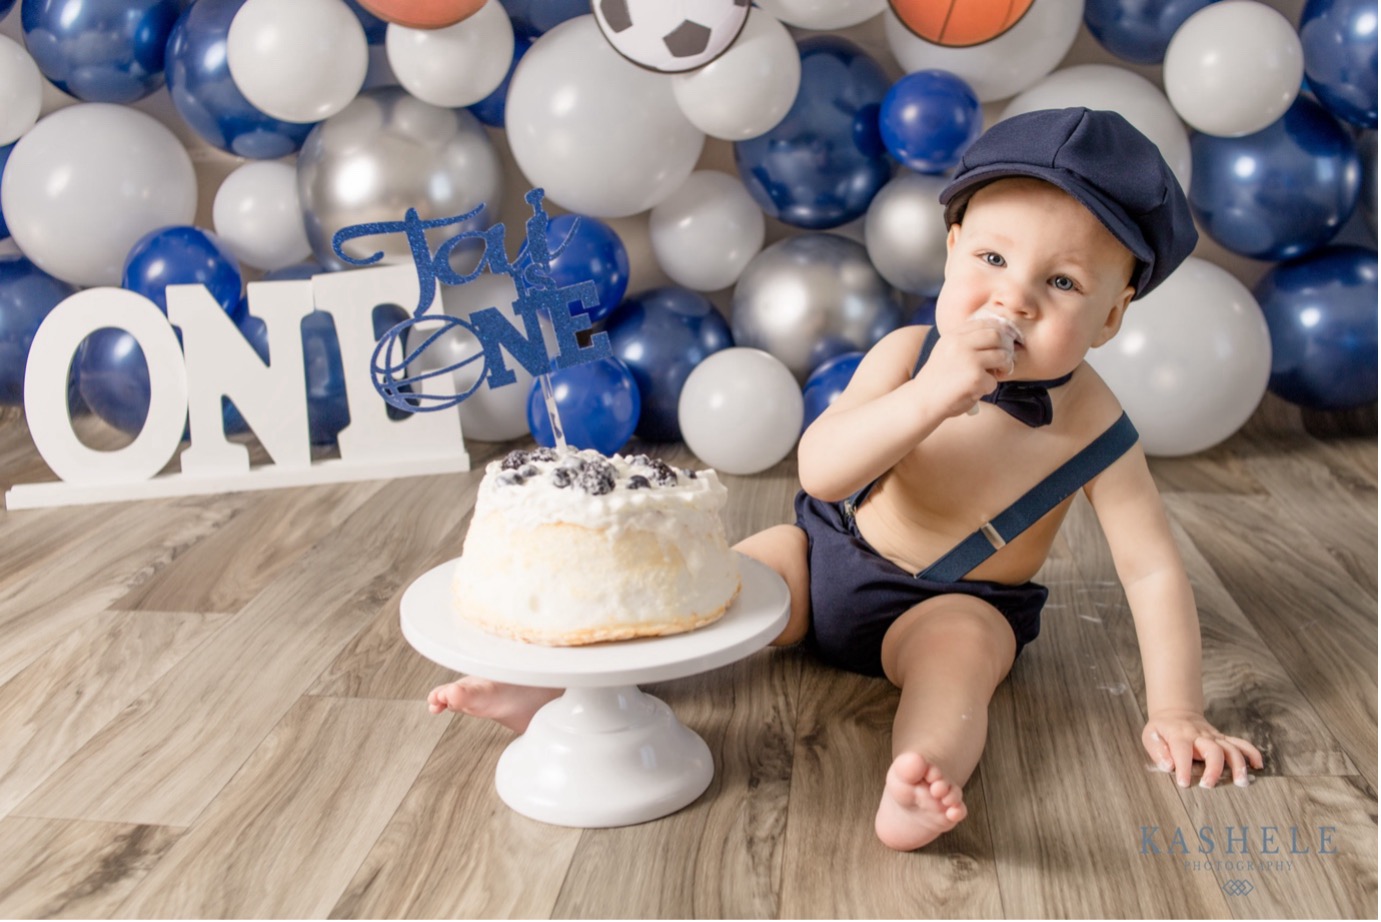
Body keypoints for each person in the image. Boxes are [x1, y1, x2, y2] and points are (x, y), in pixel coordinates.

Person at [429, 108, 1265, 851]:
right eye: (991, 257)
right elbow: (822, 471)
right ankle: (555, 687)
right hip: (824, 552)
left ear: (1113, 314)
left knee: (960, 664)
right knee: (719, 584)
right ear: (949, 249)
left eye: (1062, 282)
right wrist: (931, 397)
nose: (1012, 300)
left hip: (952, 604)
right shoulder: (905, 358)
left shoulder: (1097, 432)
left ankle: (919, 778)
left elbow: (1151, 570)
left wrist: (1176, 711)